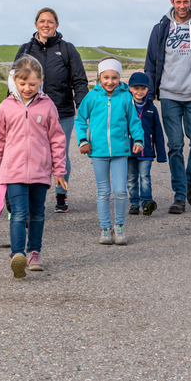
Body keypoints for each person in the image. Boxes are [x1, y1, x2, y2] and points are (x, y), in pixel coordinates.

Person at [0, 56, 68, 279]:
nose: (27, 88)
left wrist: (59, 170)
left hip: (40, 172)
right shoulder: (6, 106)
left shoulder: (48, 106)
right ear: (15, 81)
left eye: (32, 84)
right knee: (19, 213)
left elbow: (57, 139)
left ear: (41, 81)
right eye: (22, 84)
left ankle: (35, 253)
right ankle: (17, 255)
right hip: (13, 171)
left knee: (38, 214)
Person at [15, 7, 88, 213]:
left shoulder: (67, 49)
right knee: (32, 154)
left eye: (50, 21)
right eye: (42, 21)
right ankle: (32, 196)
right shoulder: (26, 50)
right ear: (36, 24)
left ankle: (61, 194)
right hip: (31, 111)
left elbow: (79, 80)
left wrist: (81, 105)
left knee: (60, 153)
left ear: (56, 25)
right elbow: (15, 79)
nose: (45, 25)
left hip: (61, 111)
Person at [145, 0, 191, 214]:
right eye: (178, 1)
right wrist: (149, 93)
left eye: (185, 1)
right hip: (169, 95)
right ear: (172, 2)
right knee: (175, 146)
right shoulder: (161, 28)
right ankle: (179, 196)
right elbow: (151, 62)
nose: (182, 6)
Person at [76, 58, 144, 246]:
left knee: (121, 191)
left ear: (119, 77)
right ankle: (105, 228)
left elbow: (134, 121)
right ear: (99, 77)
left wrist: (139, 139)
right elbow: (80, 119)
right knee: (103, 192)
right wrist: (83, 140)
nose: (110, 81)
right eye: (106, 77)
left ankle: (119, 226)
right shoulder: (92, 97)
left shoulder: (125, 97)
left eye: (114, 77)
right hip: (98, 151)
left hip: (120, 151)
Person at [125, 72, 167, 217]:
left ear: (148, 89)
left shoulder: (151, 108)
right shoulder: (126, 106)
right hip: (129, 150)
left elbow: (158, 132)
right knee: (131, 179)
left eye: (143, 88)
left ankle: (147, 202)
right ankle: (134, 203)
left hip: (146, 151)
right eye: (136, 88)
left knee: (145, 177)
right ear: (130, 88)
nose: (139, 91)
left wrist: (161, 154)